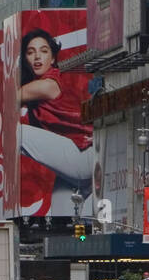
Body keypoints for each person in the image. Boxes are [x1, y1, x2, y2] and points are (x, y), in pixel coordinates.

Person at [17, 29, 95, 197]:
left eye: (44, 51)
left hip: (82, 158)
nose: (37, 57)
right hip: (81, 160)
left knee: (16, 133)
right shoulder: (39, 83)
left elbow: (6, 100)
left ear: (52, 59)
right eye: (31, 52)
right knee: (63, 216)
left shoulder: (47, 84)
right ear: (25, 59)